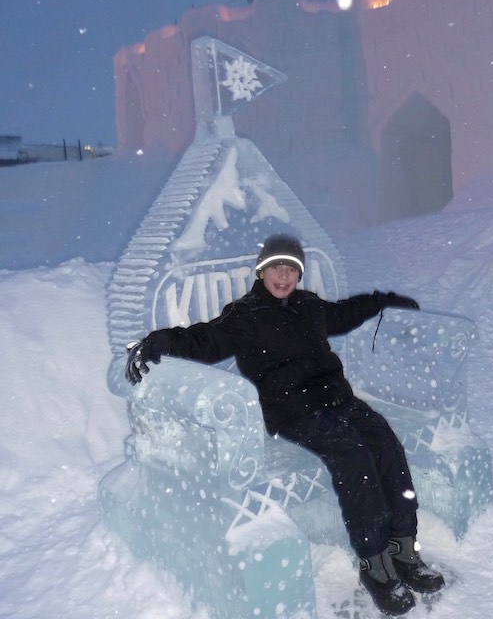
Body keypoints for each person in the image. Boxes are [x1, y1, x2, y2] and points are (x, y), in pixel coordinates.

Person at [125, 232, 445, 616]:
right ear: (262, 271)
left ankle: (404, 548)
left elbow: (345, 312)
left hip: (339, 399)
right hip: (295, 410)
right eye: (277, 266)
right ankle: (375, 563)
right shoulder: (244, 316)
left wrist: (382, 301)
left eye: (292, 268)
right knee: (354, 457)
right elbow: (203, 339)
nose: (284, 275)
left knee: (386, 445)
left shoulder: (309, 306)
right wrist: (160, 341)